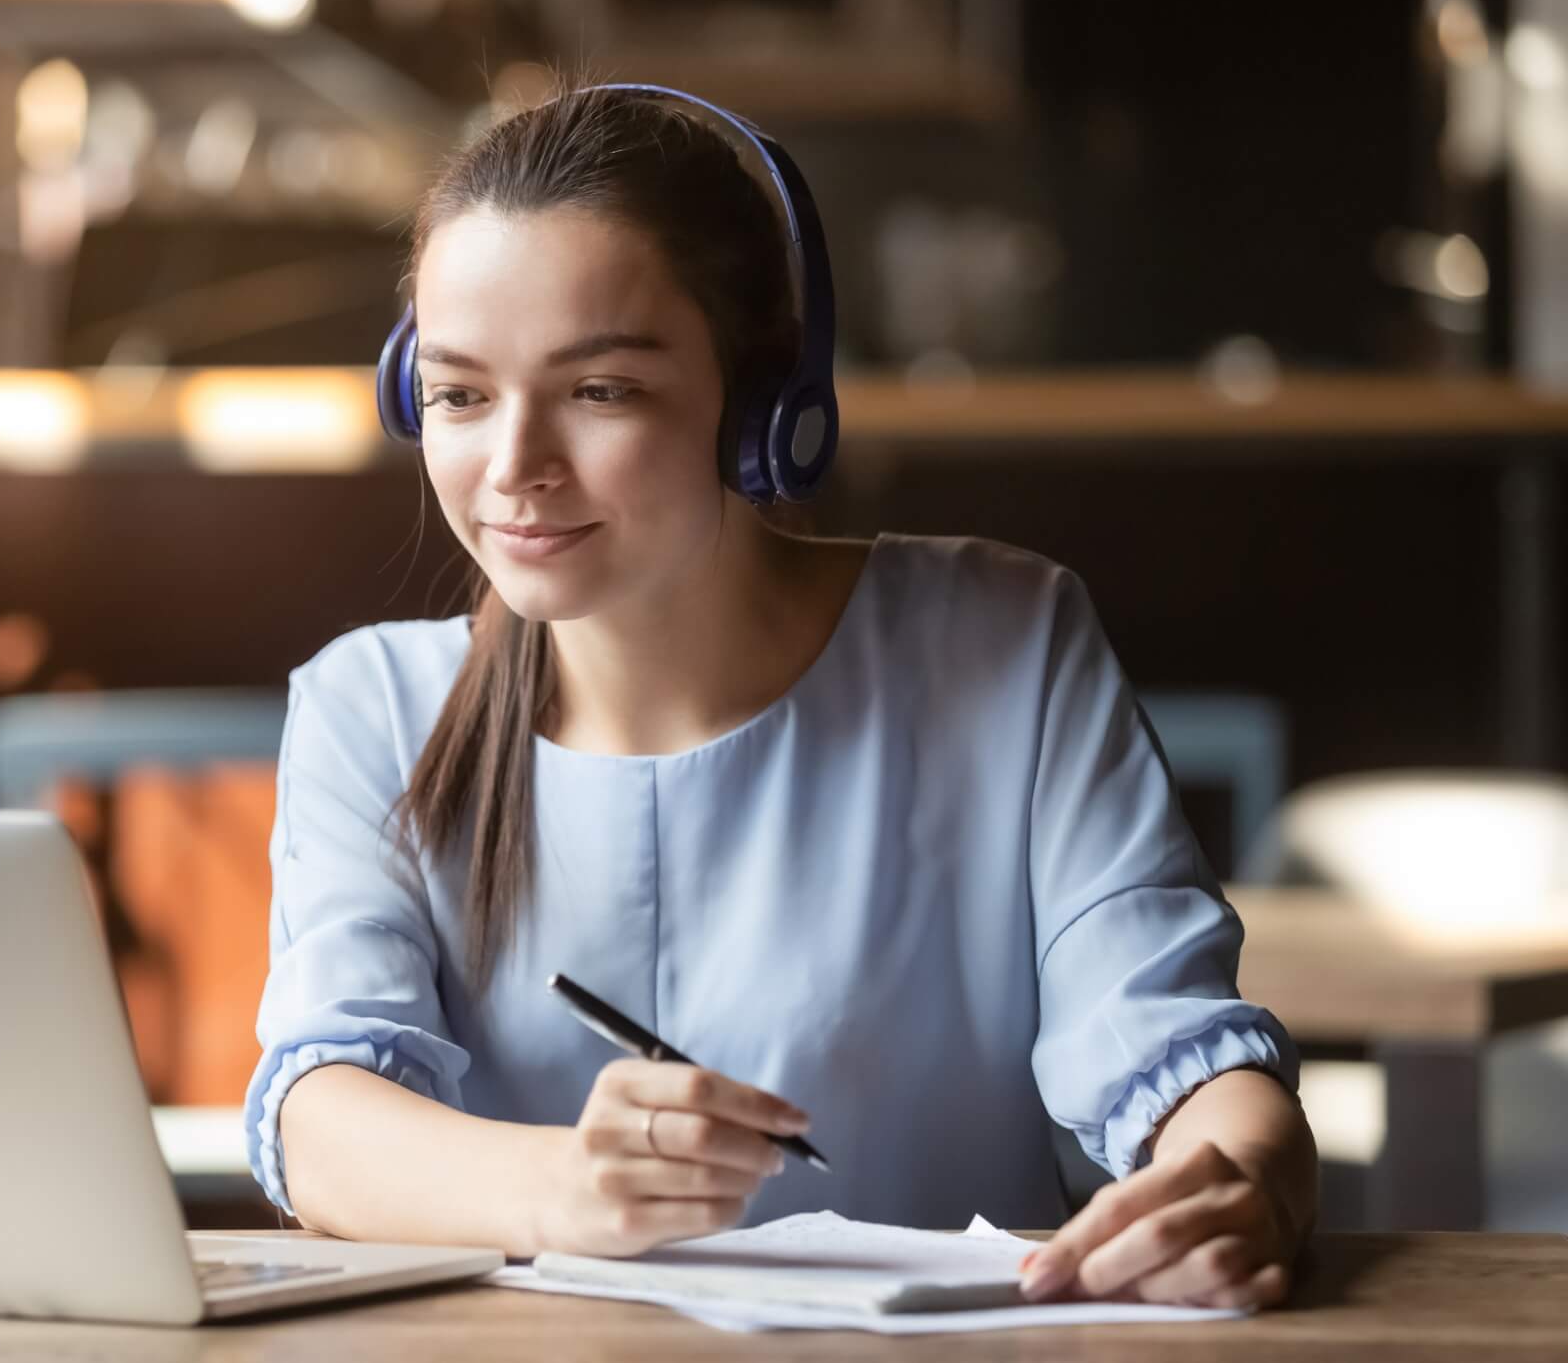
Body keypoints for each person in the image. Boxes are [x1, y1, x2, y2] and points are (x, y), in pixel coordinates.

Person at [240, 81, 1316, 1310]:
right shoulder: (366, 705)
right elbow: (321, 1116)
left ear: (762, 408)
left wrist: (1246, 1175)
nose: (514, 467)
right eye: (460, 394)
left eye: (601, 391)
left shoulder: (1002, 645)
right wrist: (569, 1191)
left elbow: (1171, 1048)